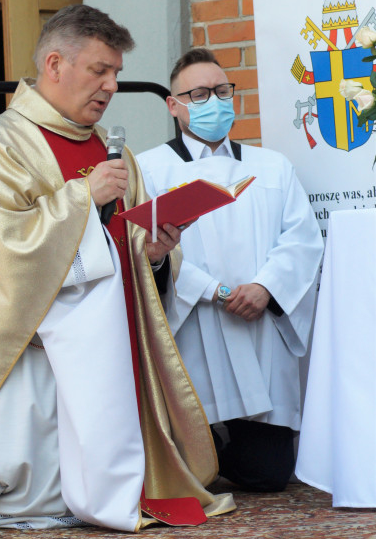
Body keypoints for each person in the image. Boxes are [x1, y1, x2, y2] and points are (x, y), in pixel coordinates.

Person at [0, 6, 233, 531]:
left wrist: (153, 253)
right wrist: (83, 196)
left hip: (106, 341)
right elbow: (1, 251)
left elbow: (127, 242)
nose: (111, 86)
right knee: (28, 493)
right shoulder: (0, 146)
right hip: (33, 344)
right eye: (99, 70)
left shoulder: (113, 151)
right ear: (55, 64)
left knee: (92, 473)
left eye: (116, 73)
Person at [137, 47, 324, 492]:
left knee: (269, 475)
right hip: (195, 323)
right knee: (190, 457)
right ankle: (199, 447)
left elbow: (302, 239)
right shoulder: (148, 169)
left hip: (260, 322)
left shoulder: (271, 166)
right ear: (174, 105)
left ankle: (224, 451)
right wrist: (214, 292)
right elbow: (145, 250)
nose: (215, 102)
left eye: (222, 91)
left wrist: (265, 287)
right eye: (200, 94)